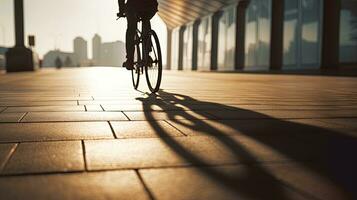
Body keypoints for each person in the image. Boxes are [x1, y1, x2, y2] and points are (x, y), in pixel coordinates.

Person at [118, 0, 158, 70]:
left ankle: (130, 60)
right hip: (151, 6)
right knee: (146, 20)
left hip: (133, 6)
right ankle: (147, 55)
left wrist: (121, 11)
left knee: (131, 29)